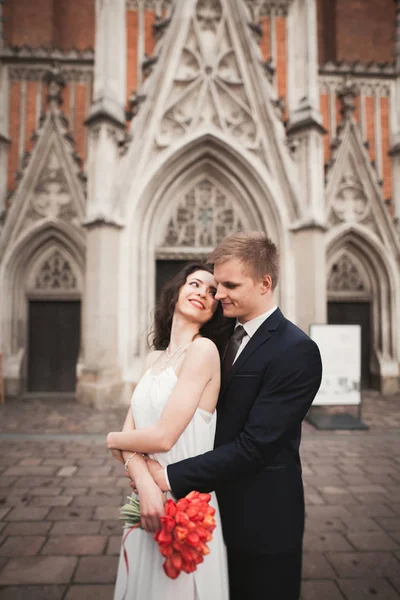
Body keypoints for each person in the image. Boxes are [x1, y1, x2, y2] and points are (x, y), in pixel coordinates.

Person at [142, 232, 323, 600]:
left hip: (263, 522)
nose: (218, 293)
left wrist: (168, 476)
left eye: (229, 285)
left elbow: (255, 446)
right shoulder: (220, 337)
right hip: (207, 513)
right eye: (216, 282)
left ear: (264, 283)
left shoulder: (296, 350)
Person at [107, 262, 231, 600]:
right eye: (194, 284)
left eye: (211, 294)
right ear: (176, 291)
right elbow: (131, 434)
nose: (202, 294)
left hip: (187, 500)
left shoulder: (204, 351)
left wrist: (112, 441)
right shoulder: (153, 360)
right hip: (149, 501)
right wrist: (146, 487)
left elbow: (160, 438)